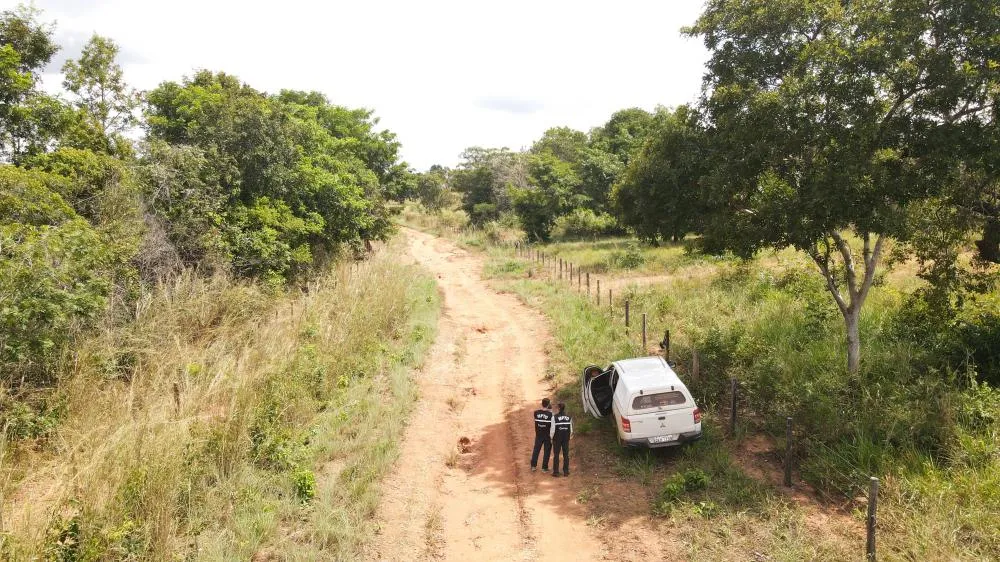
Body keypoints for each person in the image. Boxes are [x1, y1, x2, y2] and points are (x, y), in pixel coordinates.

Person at [530, 398, 553, 472]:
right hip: (547, 435)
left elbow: (540, 413)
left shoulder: (536, 413)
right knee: (547, 451)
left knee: (536, 450)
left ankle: (533, 466)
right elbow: (552, 424)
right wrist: (550, 411)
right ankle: (544, 468)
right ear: (548, 405)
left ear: (542, 404)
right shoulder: (551, 415)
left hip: (539, 435)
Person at [550, 403, 573, 477]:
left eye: (557, 407)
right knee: (566, 454)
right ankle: (566, 471)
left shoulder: (554, 417)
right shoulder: (569, 417)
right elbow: (571, 430)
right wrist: (569, 437)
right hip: (566, 438)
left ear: (559, 408)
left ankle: (556, 472)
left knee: (556, 454)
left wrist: (551, 437)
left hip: (557, 438)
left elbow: (552, 430)